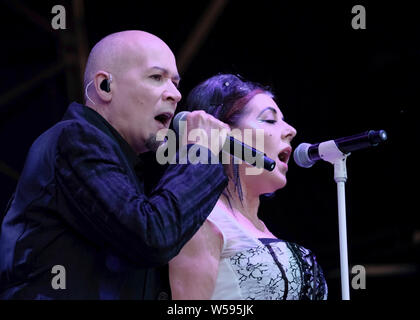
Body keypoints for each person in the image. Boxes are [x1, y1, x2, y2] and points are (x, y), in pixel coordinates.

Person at [0, 30, 230, 299]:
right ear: (104, 86)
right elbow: (151, 236)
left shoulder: (122, 165)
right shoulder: (75, 139)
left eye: (176, 83)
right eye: (157, 77)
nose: (175, 95)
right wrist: (199, 153)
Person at [169, 74, 328, 300]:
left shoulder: (261, 228)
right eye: (269, 120)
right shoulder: (203, 220)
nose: (291, 130)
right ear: (223, 134)